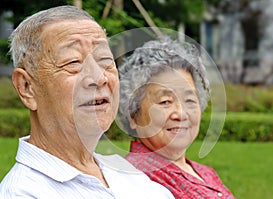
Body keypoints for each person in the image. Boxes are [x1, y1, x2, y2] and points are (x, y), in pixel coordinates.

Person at [0, 6, 175, 199]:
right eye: (73, 62)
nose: (99, 78)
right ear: (27, 87)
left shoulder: (126, 174)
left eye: (105, 60)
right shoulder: (22, 192)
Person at [118, 37, 235, 199]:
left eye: (189, 100)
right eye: (165, 102)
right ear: (133, 115)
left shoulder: (205, 172)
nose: (181, 113)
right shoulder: (137, 178)